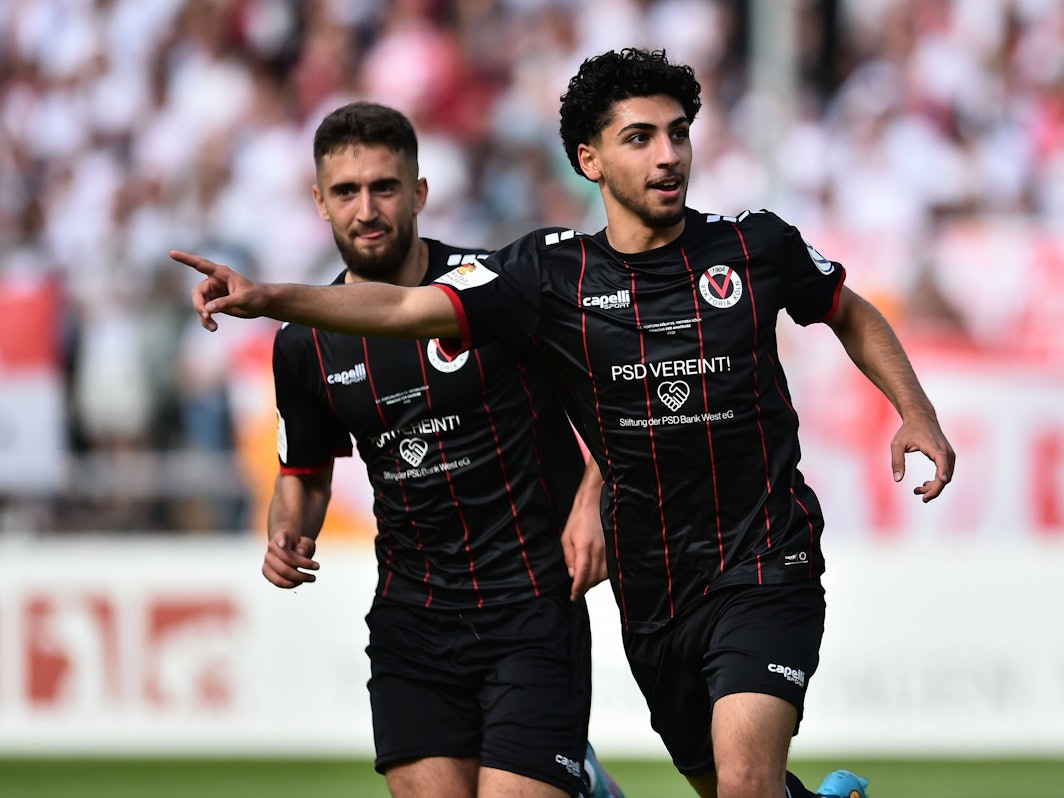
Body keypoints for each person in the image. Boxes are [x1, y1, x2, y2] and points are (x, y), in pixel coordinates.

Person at [174, 50, 956, 798]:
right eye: (640, 137)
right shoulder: (545, 278)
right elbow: (402, 319)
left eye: (678, 132)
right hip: (648, 590)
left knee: (746, 782)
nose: (668, 156)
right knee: (732, 786)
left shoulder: (755, 245)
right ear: (590, 161)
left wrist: (915, 413)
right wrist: (271, 300)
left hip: (758, 560)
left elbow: (844, 309)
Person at [251, 101, 624, 798]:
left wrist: (594, 498)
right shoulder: (303, 343)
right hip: (413, 617)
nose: (367, 209)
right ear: (320, 203)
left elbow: (618, 389)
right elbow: (302, 471)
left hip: (532, 604)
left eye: (385, 188)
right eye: (346, 192)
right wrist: (286, 530)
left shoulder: (499, 289)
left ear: (419, 192)